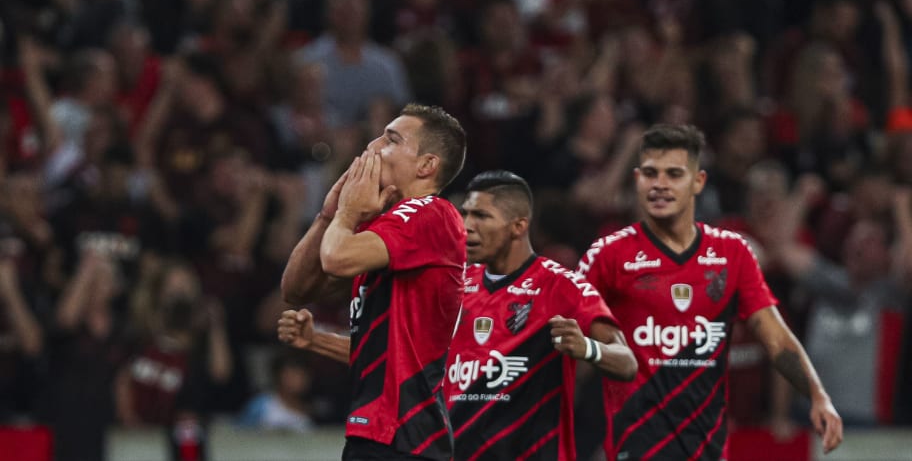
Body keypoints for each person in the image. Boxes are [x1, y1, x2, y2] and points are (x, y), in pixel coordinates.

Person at [279, 170, 637, 460]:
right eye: (464, 213)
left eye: (481, 215)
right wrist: (316, 340)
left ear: (518, 225)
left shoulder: (561, 285)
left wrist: (587, 349)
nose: (466, 225)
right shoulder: (456, 284)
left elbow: (626, 362)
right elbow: (400, 359)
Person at [575, 123, 843, 460]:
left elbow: (776, 338)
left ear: (698, 182)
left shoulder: (732, 254)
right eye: (651, 173)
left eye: (674, 174)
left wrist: (817, 395)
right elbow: (571, 336)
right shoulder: (606, 256)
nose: (661, 185)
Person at [279, 103, 467, 460]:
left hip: (403, 436)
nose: (374, 147)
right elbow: (296, 290)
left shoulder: (430, 214)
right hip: (386, 436)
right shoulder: (382, 229)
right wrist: (327, 215)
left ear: (427, 166)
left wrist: (347, 213)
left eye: (391, 139)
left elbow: (335, 258)